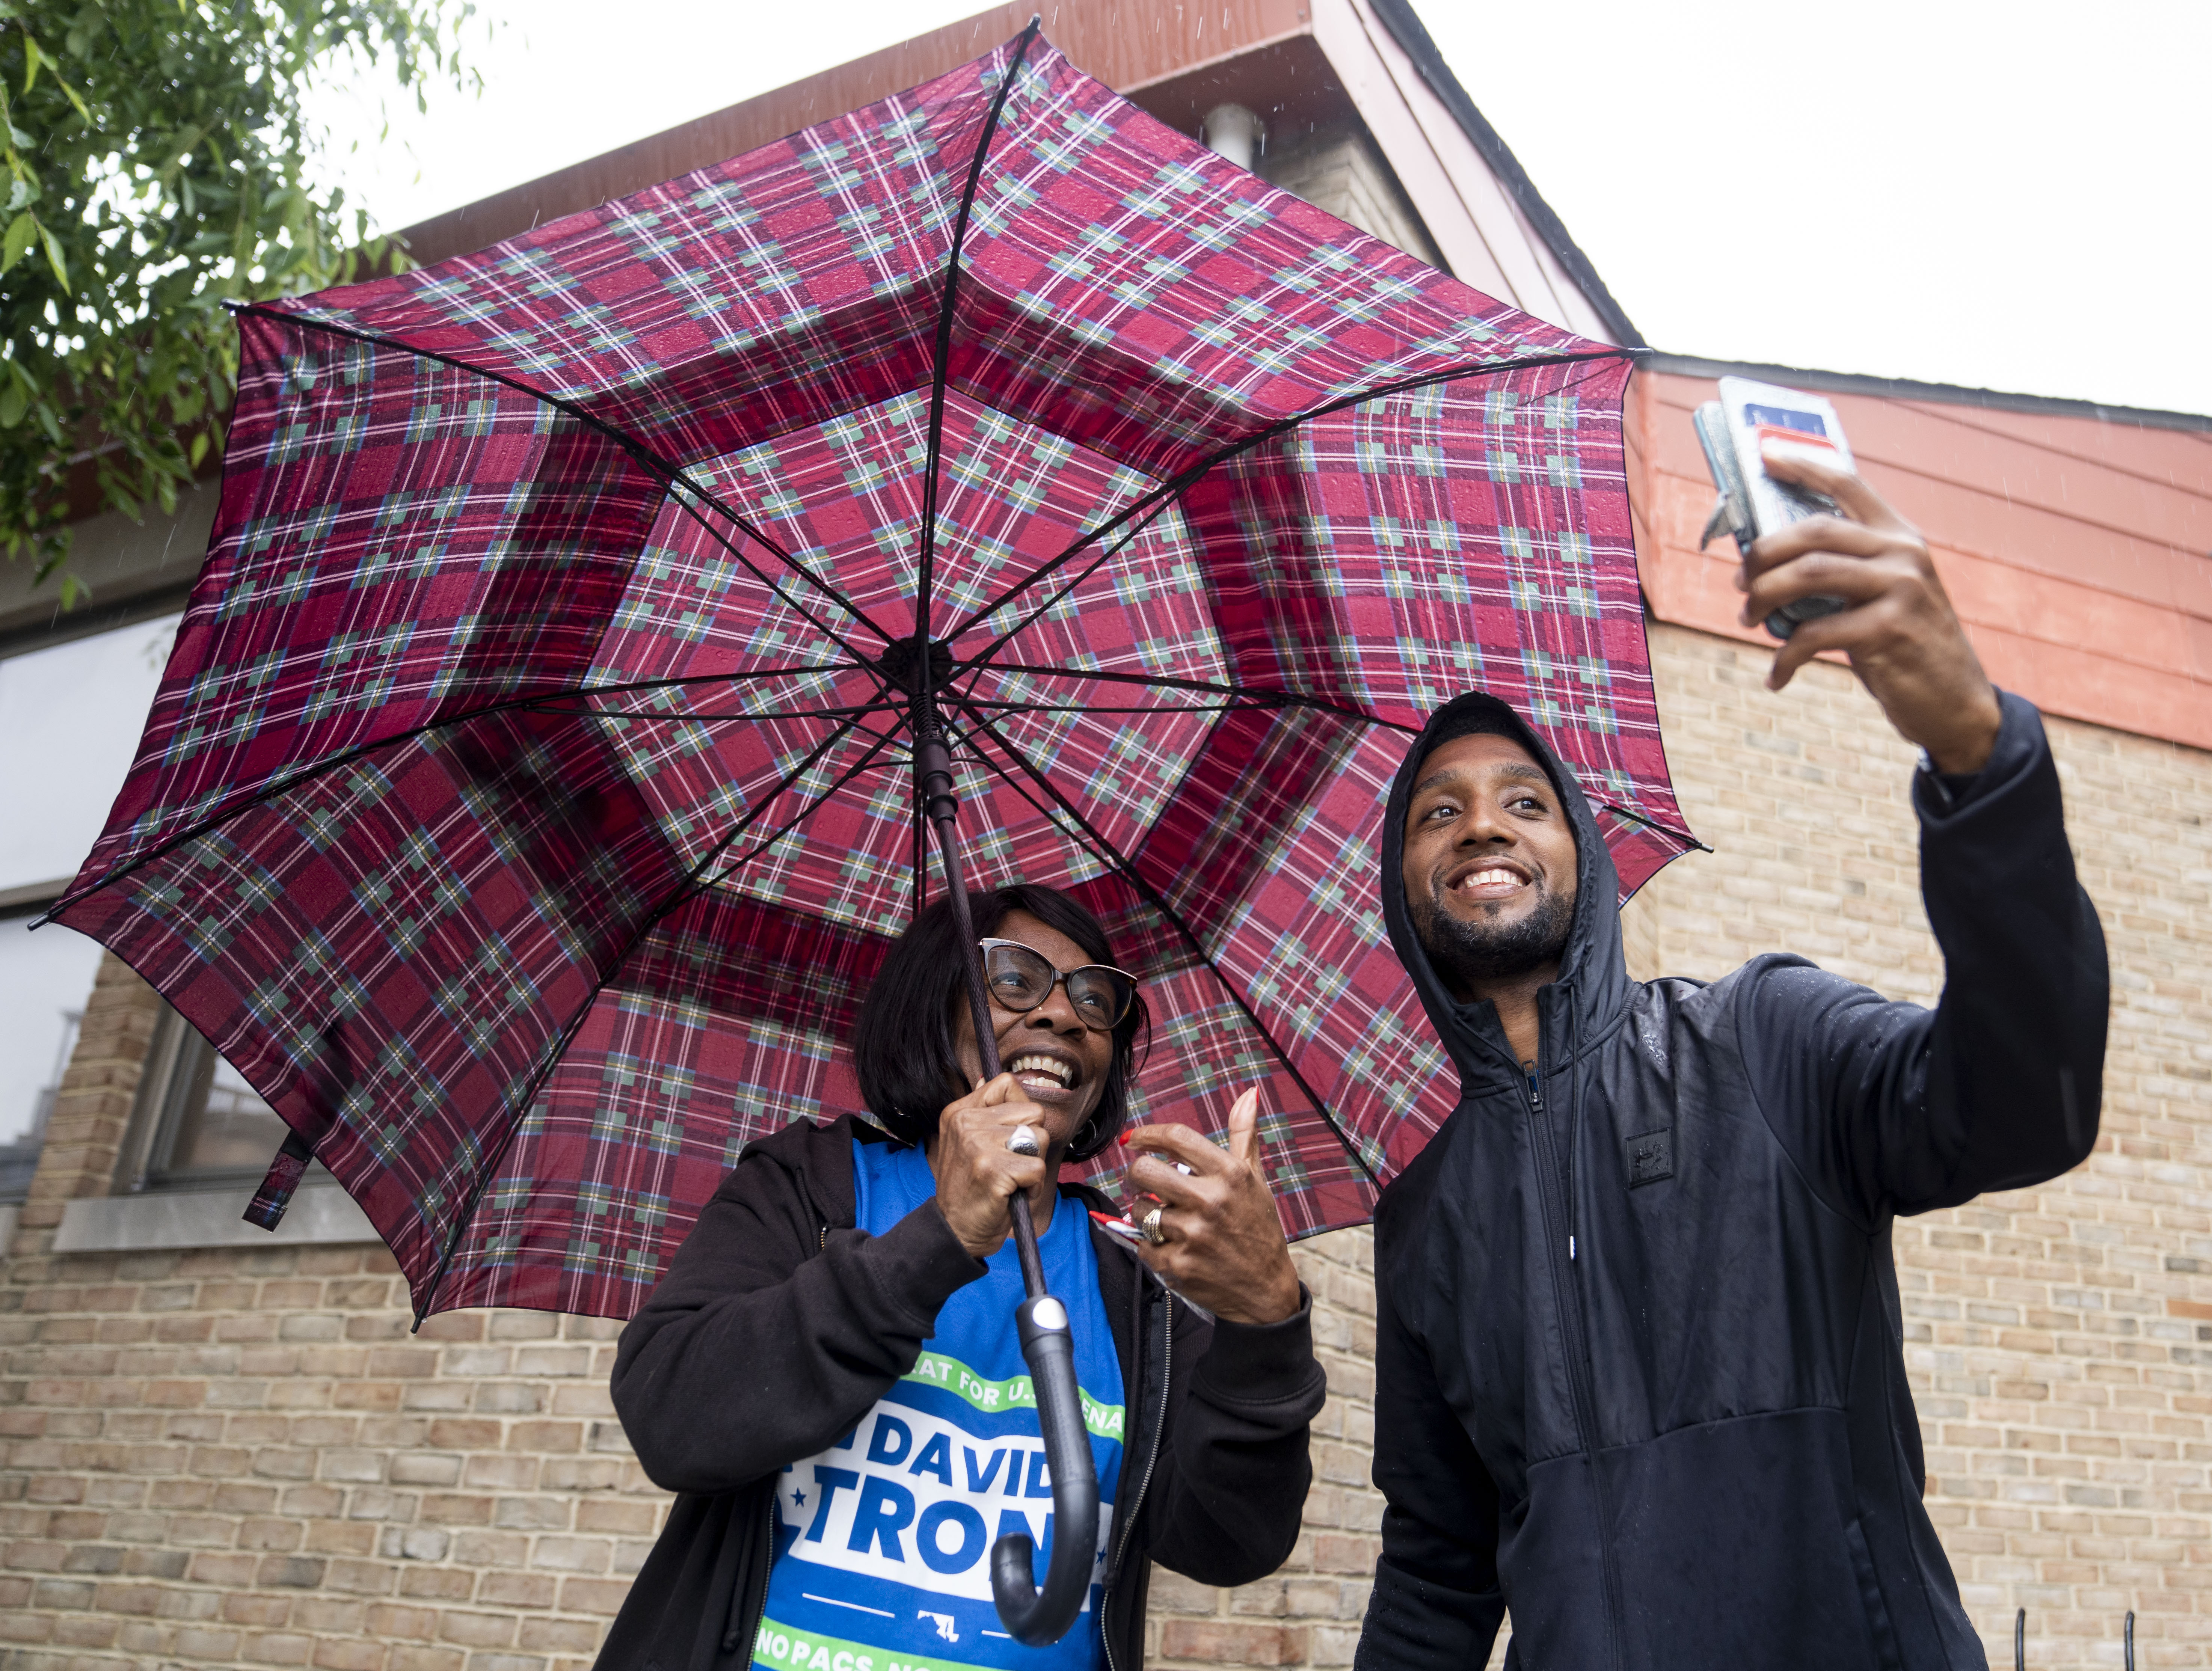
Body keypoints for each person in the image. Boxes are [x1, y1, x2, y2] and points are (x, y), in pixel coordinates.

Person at [1355, 448, 2109, 1670]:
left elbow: (2028, 1110)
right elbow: (1438, 1564)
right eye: (1438, 812)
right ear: (1402, 885)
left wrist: (1984, 759)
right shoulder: (1424, 1205)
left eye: (1524, 801)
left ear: (1587, 857)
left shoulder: (1766, 1037)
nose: (1482, 822)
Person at [600, 882, 1324, 1671]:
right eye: (1015, 980)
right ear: (933, 1007)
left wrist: (1264, 1324)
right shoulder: (812, 1185)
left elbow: (1229, 1541)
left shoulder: (1135, 1277)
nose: (1061, 1016)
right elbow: (674, 1418)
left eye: (1094, 997)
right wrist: (941, 1235)